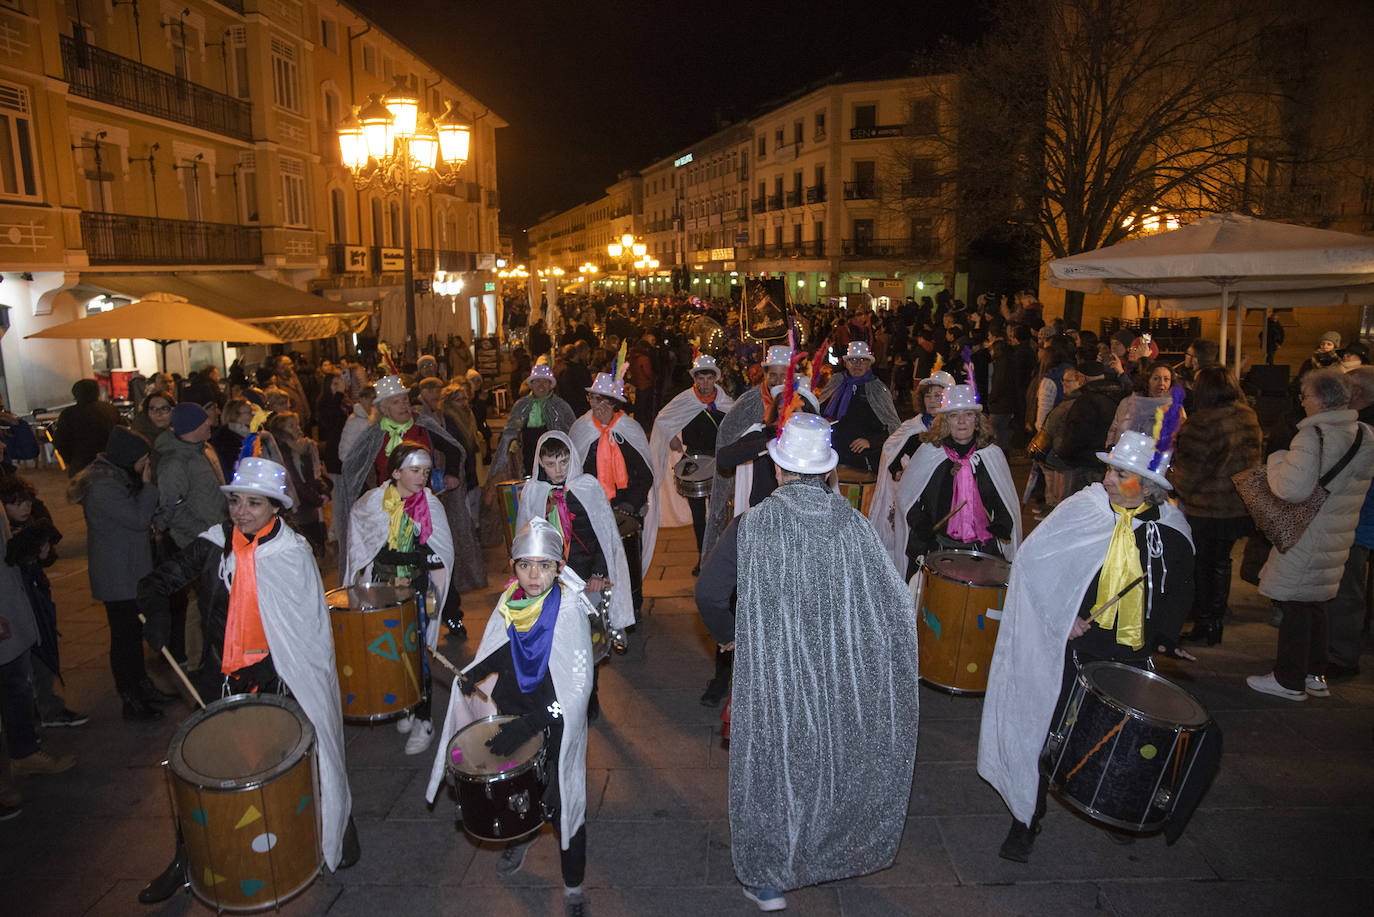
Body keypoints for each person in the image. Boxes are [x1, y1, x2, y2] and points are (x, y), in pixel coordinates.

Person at [695, 414, 919, 912]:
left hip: (773, 671)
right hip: (837, 670)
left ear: (778, 470)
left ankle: (768, 876)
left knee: (773, 765)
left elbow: (708, 593)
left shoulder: (750, 525)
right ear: (826, 472)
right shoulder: (854, 526)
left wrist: (731, 640)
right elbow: (893, 605)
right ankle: (830, 853)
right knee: (827, 759)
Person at [135, 458, 358, 902]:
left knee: (307, 751)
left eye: (253, 503)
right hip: (220, 674)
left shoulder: (291, 552)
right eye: (236, 501)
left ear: (275, 507)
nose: (241, 511)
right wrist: (157, 614)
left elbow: (307, 629)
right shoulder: (213, 544)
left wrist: (280, 670)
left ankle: (335, 822)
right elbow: (156, 583)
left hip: (281, 675)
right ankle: (187, 857)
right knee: (202, 766)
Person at [978, 429, 1198, 863]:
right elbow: (1035, 566)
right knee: (1047, 727)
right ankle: (1026, 817)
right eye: (1110, 469)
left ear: (1146, 485)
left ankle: (1116, 808)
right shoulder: (1084, 509)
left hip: (1130, 650)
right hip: (1074, 644)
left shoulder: (1169, 527)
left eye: (1120, 473)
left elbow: (1179, 589)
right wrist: (1065, 616)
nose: (1109, 478)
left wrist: (1167, 638)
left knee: (1122, 739)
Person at [425, 517, 597, 917]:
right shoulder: (511, 600)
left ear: (558, 567)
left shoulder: (569, 609)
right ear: (512, 566)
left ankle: (573, 889)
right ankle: (520, 835)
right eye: (524, 565)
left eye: (543, 565)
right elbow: (506, 647)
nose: (533, 575)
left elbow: (576, 693)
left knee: (562, 798)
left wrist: (532, 723)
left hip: (552, 720)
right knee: (517, 786)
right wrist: (474, 671)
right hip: (513, 706)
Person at [1248, 368, 1374, 700]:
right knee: (1317, 602)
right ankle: (1315, 675)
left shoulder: (1313, 435)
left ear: (1320, 399)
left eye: (1305, 396)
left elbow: (1290, 489)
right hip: (1339, 532)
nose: (1302, 402)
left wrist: (1277, 460)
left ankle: (1288, 680)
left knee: (1294, 604)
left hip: (1306, 532)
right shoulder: (1364, 434)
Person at [338, 375, 483, 636]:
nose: (404, 406)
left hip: (421, 501)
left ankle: (451, 614)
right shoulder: (374, 434)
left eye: (405, 400)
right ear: (383, 408)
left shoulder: (423, 425)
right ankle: (391, 620)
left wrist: (450, 473)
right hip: (387, 505)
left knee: (435, 555)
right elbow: (353, 468)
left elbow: (454, 448)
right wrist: (366, 497)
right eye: (396, 402)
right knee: (390, 563)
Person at [344, 443, 455, 754]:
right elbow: (360, 537)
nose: (422, 478)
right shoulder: (372, 503)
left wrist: (420, 564)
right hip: (382, 587)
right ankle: (405, 705)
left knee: (417, 651)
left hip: (416, 589)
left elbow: (441, 551)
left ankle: (424, 719)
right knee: (391, 648)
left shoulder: (430, 506)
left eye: (426, 472)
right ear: (395, 472)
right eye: (415, 471)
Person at [67, 427, 174, 720]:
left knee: (133, 634)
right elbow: (137, 519)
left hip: (130, 570)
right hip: (118, 576)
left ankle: (142, 685)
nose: (146, 465)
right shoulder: (103, 486)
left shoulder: (116, 477)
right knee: (124, 639)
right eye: (143, 459)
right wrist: (149, 485)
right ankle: (131, 697)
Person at [1169, 366, 1262, 646]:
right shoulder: (1247, 415)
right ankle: (1214, 623)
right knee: (1221, 562)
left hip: (1207, 507)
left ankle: (1205, 622)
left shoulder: (1203, 422)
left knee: (1203, 564)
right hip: (1238, 505)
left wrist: (1172, 481)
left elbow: (1189, 471)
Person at [895, 384, 1021, 580]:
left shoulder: (991, 456)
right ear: (945, 421)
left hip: (980, 549)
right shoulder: (929, 452)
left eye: (968, 414)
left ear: (977, 421)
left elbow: (1005, 501)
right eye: (954, 415)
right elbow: (907, 497)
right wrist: (919, 522)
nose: (962, 421)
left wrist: (1003, 523)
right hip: (934, 545)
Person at [699, 345, 793, 566]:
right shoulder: (750, 400)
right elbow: (727, 436)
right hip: (752, 474)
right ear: (765, 373)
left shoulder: (800, 401)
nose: (777, 380)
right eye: (773, 374)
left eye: (783, 375)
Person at [570, 372, 654, 617]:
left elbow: (645, 473)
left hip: (626, 505)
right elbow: (573, 472)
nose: (599, 407)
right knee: (592, 556)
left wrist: (630, 504)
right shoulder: (581, 428)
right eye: (595, 400)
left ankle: (632, 604)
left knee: (626, 557)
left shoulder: (629, 429)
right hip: (591, 505)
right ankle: (594, 607)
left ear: (615, 404)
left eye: (605, 401)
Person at [644, 354, 733, 571]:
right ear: (695, 379)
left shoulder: (724, 401)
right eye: (700, 378)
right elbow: (663, 420)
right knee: (698, 514)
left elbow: (735, 422)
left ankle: (716, 555)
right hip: (693, 460)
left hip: (718, 461)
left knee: (718, 512)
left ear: (715, 379)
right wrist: (672, 436)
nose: (705, 383)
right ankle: (703, 557)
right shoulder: (685, 399)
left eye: (709, 378)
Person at [870, 370, 954, 558]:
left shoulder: (956, 431)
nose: (932, 400)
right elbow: (892, 454)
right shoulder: (911, 428)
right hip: (914, 500)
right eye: (928, 395)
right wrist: (899, 470)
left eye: (938, 395)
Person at [818, 341, 900, 474]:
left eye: (863, 360)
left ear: (869, 364)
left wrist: (870, 441)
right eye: (853, 360)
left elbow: (894, 427)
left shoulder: (877, 389)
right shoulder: (837, 381)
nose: (857, 364)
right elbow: (819, 410)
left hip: (862, 459)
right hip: (832, 453)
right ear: (846, 363)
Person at [488, 363, 577, 483]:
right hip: (527, 460)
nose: (541, 385)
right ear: (531, 385)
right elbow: (512, 430)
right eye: (537, 381)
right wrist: (513, 442)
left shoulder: (561, 406)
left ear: (550, 385)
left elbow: (571, 432)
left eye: (545, 381)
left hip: (554, 461)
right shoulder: (521, 406)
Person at [52, 379, 120, 476]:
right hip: (109, 462)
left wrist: (71, 460)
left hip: (81, 464)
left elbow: (60, 441)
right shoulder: (110, 410)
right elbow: (122, 433)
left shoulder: (69, 414)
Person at [1107, 361, 1184, 447]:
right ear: (1147, 380)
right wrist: (1110, 447)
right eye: (1156, 378)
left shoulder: (1175, 408)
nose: (1162, 383)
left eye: (1166, 379)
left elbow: (1181, 438)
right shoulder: (1129, 403)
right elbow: (1114, 430)